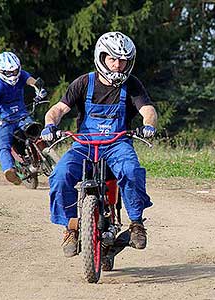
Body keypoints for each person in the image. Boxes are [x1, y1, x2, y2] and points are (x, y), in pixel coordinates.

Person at [41, 31, 158, 258]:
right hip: (84, 144)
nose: (117, 65)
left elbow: (148, 110)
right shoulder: (84, 83)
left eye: (123, 60)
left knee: (131, 170)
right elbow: (57, 110)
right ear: (101, 57)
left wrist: (149, 125)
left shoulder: (132, 84)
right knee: (59, 174)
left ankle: (136, 224)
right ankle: (71, 229)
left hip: (117, 143)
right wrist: (49, 125)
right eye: (112, 59)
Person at [0, 51, 47, 185]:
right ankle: (9, 170)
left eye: (15, 71)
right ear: (1, 72)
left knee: (36, 131)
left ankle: (45, 154)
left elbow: (32, 82)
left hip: (22, 115)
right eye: (9, 73)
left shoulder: (22, 75)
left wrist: (39, 89)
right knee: (2, 145)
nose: (13, 75)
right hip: (5, 120)